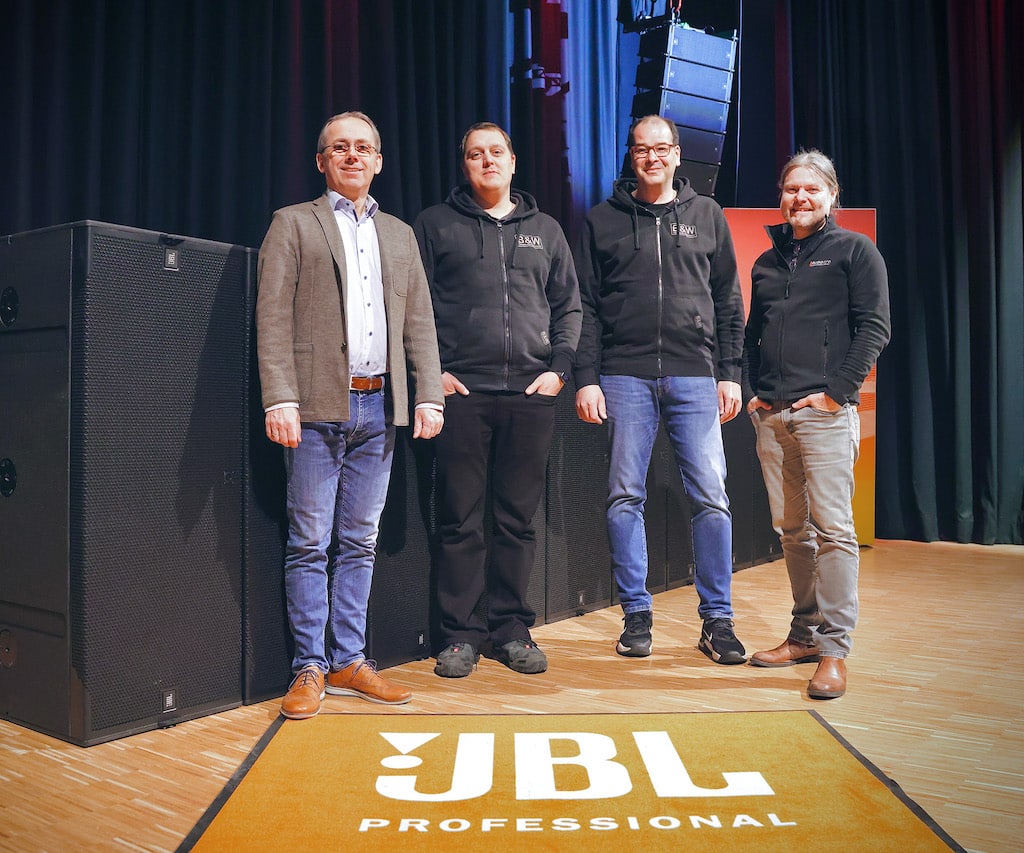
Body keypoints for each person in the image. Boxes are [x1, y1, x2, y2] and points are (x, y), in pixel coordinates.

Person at [256, 111, 444, 719]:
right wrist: (279, 397)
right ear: (322, 161)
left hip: (378, 405)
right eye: (340, 148)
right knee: (310, 542)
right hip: (314, 405)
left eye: (364, 147)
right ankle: (309, 667)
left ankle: (348, 661)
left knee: (360, 542)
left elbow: (419, 322)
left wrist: (428, 394)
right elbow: (272, 317)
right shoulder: (293, 223)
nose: (353, 156)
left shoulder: (399, 234)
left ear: (379, 160)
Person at [574, 114, 747, 665]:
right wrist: (586, 379)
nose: (651, 157)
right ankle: (636, 615)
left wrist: (730, 372)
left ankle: (717, 620)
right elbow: (586, 308)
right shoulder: (601, 220)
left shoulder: (707, 214)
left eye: (661, 148)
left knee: (711, 497)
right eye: (641, 149)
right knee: (625, 496)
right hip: (623, 375)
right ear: (632, 156)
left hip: (695, 374)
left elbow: (728, 301)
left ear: (676, 154)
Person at [413, 122, 581, 678]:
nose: (486, 161)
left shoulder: (547, 230)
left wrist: (559, 371)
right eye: (475, 154)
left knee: (516, 521)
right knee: (459, 520)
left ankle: (511, 629)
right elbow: (413, 306)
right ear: (465, 165)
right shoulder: (435, 225)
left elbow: (569, 306)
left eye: (495, 152)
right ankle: (459, 635)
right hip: (461, 394)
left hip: (531, 395)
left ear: (512, 161)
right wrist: (433, 374)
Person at [743, 149, 890, 699]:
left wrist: (834, 395)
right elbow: (752, 334)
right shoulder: (767, 261)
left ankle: (834, 650)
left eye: (811, 188)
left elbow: (874, 328)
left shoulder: (855, 250)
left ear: (832, 195)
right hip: (773, 417)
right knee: (791, 532)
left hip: (824, 416)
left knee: (834, 532)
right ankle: (803, 635)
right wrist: (756, 393)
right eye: (791, 188)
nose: (800, 197)